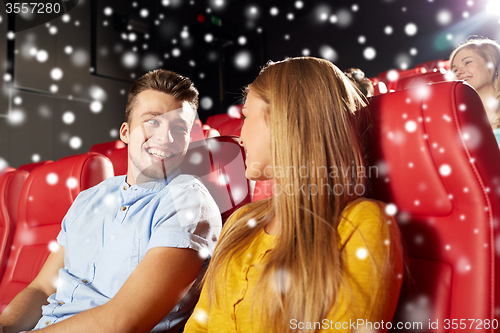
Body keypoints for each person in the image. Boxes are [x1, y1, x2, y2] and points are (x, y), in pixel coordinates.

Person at [184, 57, 404, 333]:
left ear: (285, 121)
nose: (240, 137)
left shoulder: (363, 224)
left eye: (246, 116)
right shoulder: (240, 221)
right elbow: (199, 325)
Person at [0, 69, 222, 333]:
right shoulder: (88, 198)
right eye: (153, 121)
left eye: (179, 128)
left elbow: (123, 322)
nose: (166, 137)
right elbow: (42, 288)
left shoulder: (188, 201)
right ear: (126, 132)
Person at [450, 37, 500, 146]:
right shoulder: (455, 119)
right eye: (454, 69)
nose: (459, 72)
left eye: (467, 62)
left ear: (493, 64)